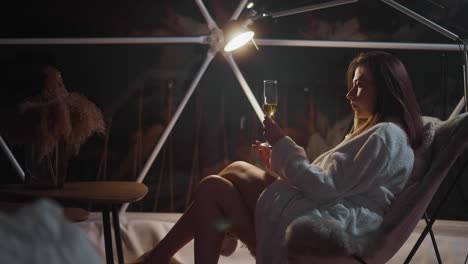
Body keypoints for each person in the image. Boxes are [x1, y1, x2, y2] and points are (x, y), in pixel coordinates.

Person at [134, 51, 424, 264]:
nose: (350, 94)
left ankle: (157, 258)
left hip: (325, 226)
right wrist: (278, 160)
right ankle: (159, 258)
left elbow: (325, 186)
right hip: (321, 216)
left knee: (229, 173)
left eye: (360, 84)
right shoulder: (384, 136)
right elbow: (330, 184)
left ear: (386, 87)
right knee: (213, 187)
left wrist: (281, 143)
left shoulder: (386, 135)